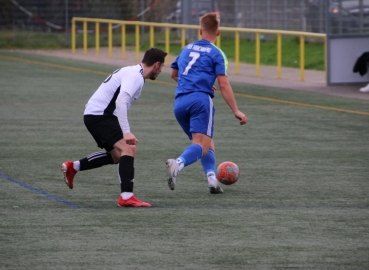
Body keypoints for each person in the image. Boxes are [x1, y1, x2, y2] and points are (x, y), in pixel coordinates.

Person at [61, 48, 167, 207]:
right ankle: (126, 196)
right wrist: (126, 132)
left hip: (97, 115)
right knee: (129, 149)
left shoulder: (134, 72)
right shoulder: (135, 76)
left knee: (118, 155)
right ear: (157, 64)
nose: (161, 71)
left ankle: (73, 166)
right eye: (162, 67)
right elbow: (121, 101)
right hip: (100, 116)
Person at [166, 12, 248, 194]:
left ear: (200, 30)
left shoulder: (187, 48)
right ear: (218, 33)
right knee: (201, 146)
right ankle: (177, 164)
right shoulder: (217, 53)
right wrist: (236, 110)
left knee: (206, 143)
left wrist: (192, 84)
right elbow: (223, 84)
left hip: (180, 102)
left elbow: (173, 74)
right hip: (200, 101)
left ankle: (212, 180)